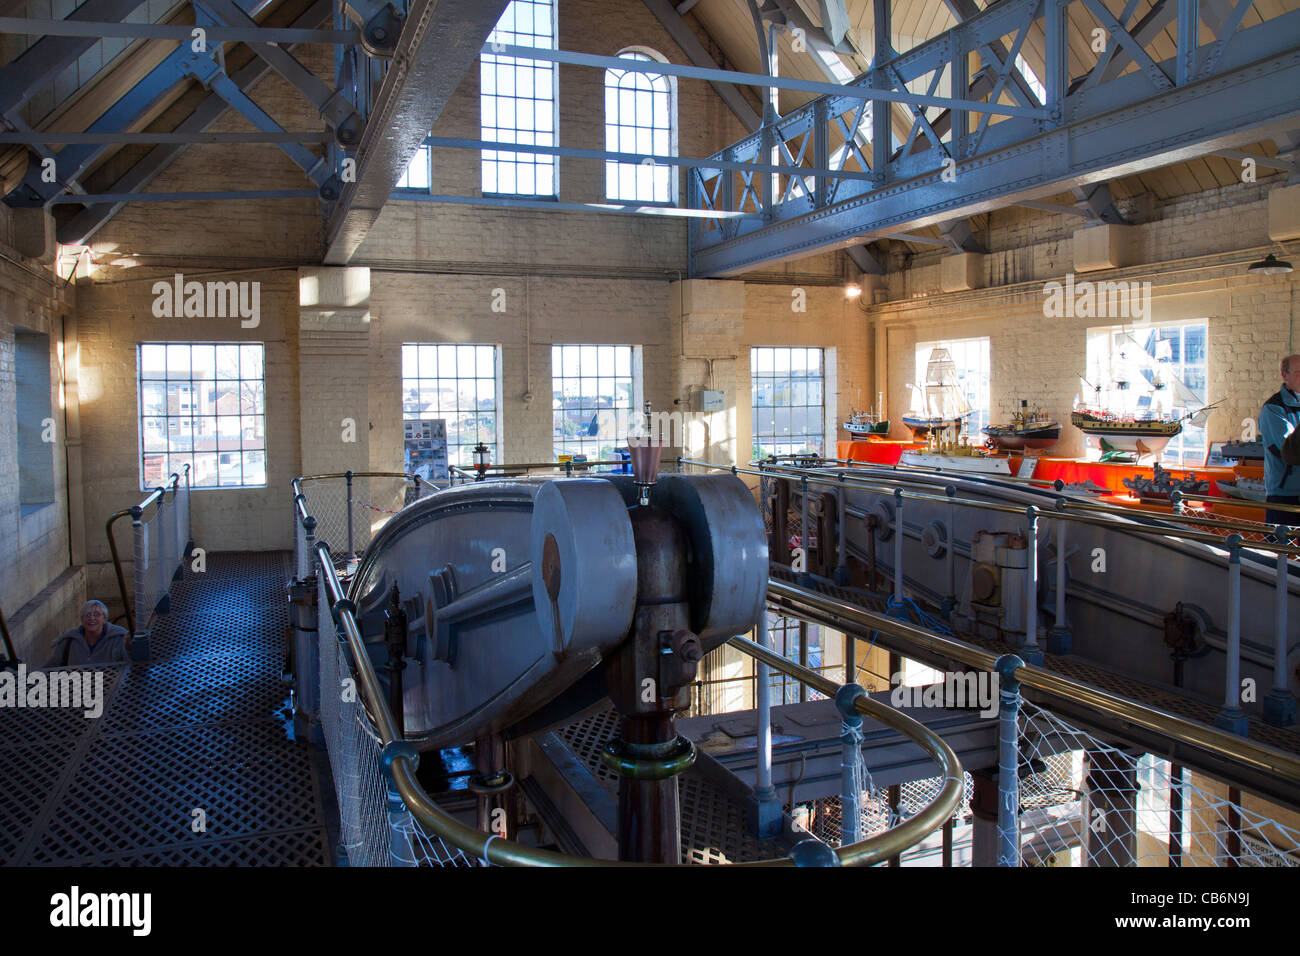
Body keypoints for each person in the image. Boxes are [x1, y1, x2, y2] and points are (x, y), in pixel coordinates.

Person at [1260, 354, 1300, 527]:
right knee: (1280, 550)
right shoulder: (1273, 409)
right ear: (1285, 375)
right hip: (1285, 494)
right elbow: (1289, 452)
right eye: (1299, 372)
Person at [45, 600, 131, 667]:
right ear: (82, 620)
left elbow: (131, 665)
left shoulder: (119, 639)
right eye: (88, 615)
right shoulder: (68, 641)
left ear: (104, 619)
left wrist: (129, 647)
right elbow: (51, 666)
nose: (92, 618)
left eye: (97, 614)